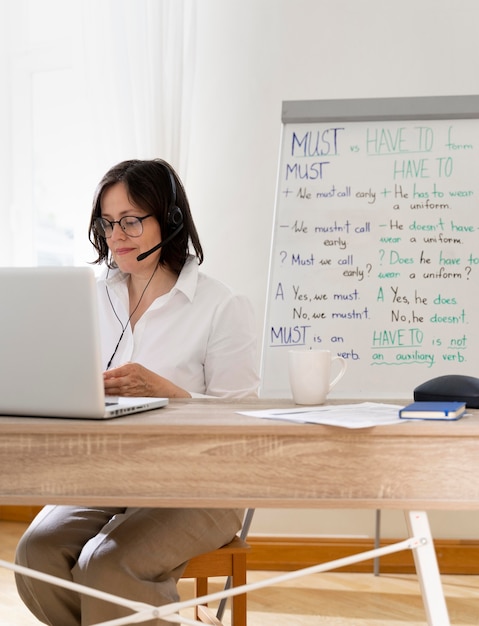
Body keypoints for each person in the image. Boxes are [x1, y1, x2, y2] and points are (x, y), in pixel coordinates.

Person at [14, 158, 260, 626]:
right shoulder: (90, 296)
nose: (116, 235)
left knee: (107, 566)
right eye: (107, 223)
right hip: (108, 476)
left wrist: (170, 393)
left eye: (130, 221)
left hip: (202, 485)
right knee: (36, 555)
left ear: (170, 222)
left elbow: (242, 423)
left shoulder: (222, 306)